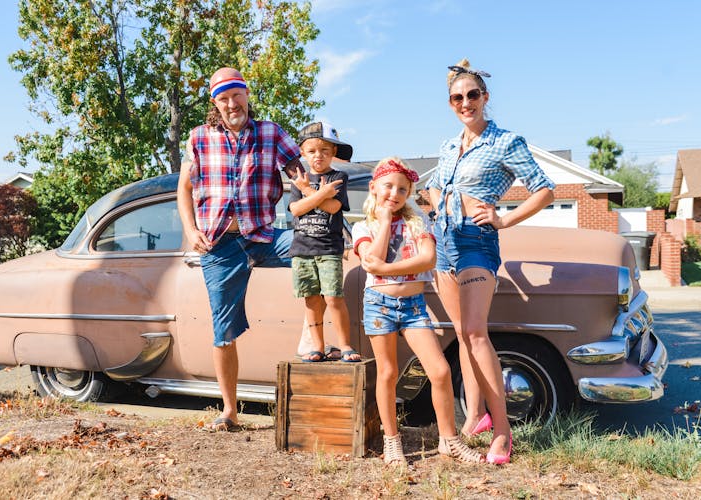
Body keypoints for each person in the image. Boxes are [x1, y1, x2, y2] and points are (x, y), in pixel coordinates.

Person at [426, 59, 556, 464]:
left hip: (476, 240)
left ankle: (503, 431)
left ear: (485, 97)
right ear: (450, 103)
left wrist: (503, 218)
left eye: (472, 95)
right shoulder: (450, 145)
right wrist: (437, 208)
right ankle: (475, 416)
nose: (466, 103)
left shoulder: (505, 141)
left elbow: (544, 189)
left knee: (477, 333)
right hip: (443, 241)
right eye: (457, 97)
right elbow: (432, 185)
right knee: (462, 334)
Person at [177, 67, 306, 431]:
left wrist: (322, 192)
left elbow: (300, 171)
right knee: (223, 331)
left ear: (247, 94)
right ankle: (230, 411)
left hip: (263, 234)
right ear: (215, 104)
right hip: (219, 245)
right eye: (223, 98)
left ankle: (319, 339)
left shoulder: (270, 132)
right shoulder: (199, 138)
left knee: (313, 248)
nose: (232, 104)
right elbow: (184, 189)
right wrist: (190, 229)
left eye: (237, 95)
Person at [353, 157, 484, 465]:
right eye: (388, 186)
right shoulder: (363, 225)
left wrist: (388, 267)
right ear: (374, 188)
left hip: (413, 307)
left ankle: (449, 440)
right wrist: (384, 222)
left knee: (439, 370)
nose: (394, 194)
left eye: (402, 188)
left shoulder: (418, 221)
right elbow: (371, 260)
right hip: (378, 305)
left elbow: (427, 260)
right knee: (387, 373)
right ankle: (392, 440)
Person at [288, 121, 361, 363]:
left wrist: (309, 192)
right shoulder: (301, 179)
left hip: (329, 249)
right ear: (302, 153)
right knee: (311, 299)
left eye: (325, 151)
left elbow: (333, 206)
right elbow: (296, 210)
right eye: (312, 151)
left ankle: (345, 345)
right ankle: (317, 346)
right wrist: (316, 192)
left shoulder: (338, 176)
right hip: (302, 250)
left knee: (333, 297)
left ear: (333, 154)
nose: (318, 155)